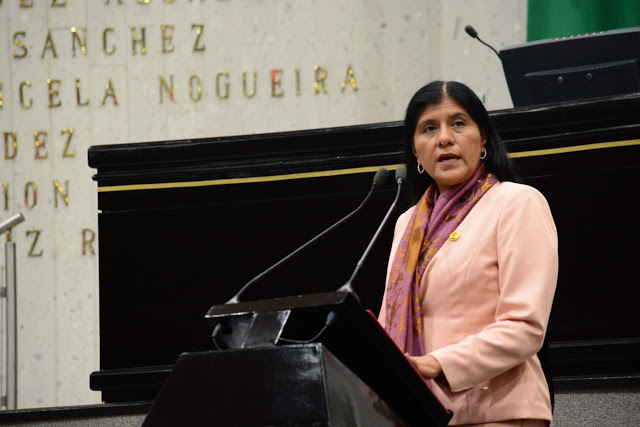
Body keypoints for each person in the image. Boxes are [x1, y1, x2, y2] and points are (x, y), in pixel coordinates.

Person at [377, 81, 558, 426]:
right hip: (416, 412)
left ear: (483, 137)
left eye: (458, 123)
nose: (444, 138)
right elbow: (388, 325)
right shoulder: (406, 224)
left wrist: (437, 363)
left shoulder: (517, 203)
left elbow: (525, 326)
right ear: (415, 150)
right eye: (429, 128)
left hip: (497, 410)